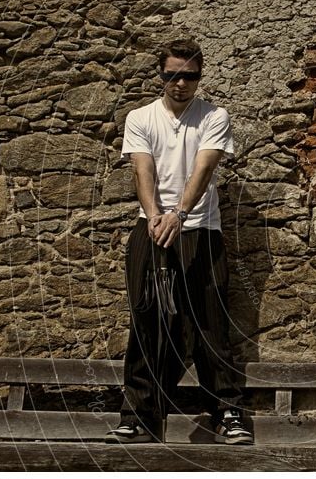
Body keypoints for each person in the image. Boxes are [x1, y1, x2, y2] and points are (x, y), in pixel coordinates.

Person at [105, 39, 253, 445]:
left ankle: (227, 413)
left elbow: (203, 170)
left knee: (208, 322)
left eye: (188, 75)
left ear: (199, 76)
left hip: (200, 229)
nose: (180, 83)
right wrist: (155, 217)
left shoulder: (214, 116)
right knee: (147, 320)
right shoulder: (141, 117)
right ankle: (139, 416)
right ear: (161, 75)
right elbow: (142, 170)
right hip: (150, 228)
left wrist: (179, 215)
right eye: (172, 75)